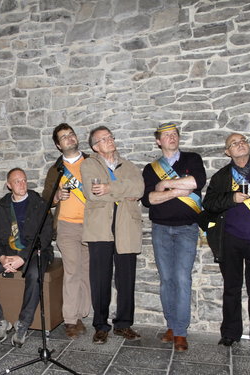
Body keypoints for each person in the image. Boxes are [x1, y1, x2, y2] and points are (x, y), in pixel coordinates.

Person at [142, 122, 206, 352]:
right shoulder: (150, 169)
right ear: (158, 141)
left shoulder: (192, 159)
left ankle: (180, 332)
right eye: (166, 135)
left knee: (182, 278)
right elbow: (149, 200)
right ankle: (171, 325)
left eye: (174, 134)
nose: (172, 137)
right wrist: (179, 190)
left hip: (186, 228)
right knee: (166, 279)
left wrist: (165, 185)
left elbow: (196, 183)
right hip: (160, 229)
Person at [0, 168, 53, 348]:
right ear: (9, 185)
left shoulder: (39, 203)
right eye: (17, 181)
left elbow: (45, 236)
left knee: (34, 275)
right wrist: (2, 258)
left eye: (24, 180)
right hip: (7, 252)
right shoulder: (2, 206)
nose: (22, 184)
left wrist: (22, 258)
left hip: (35, 253)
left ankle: (23, 324)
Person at [81, 126, 144, 345]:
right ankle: (100, 326)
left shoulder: (129, 165)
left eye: (110, 137)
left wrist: (109, 188)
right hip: (100, 228)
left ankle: (123, 324)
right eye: (103, 139)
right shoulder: (88, 164)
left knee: (126, 278)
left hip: (127, 226)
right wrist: (122, 192)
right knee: (100, 279)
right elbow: (92, 193)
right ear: (94, 146)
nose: (109, 140)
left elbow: (139, 189)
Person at [202, 133, 250, 347]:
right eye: (234, 143)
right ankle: (230, 333)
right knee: (231, 288)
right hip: (231, 240)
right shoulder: (221, 176)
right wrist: (232, 198)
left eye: (243, 140)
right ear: (228, 152)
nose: (240, 144)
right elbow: (209, 204)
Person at [42, 123, 90, 338]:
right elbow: (46, 200)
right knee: (72, 270)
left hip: (91, 225)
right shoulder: (56, 169)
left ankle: (82, 314)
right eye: (64, 137)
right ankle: (70, 319)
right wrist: (56, 197)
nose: (69, 138)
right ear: (58, 145)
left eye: (71, 134)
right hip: (66, 225)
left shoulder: (92, 162)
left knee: (87, 272)